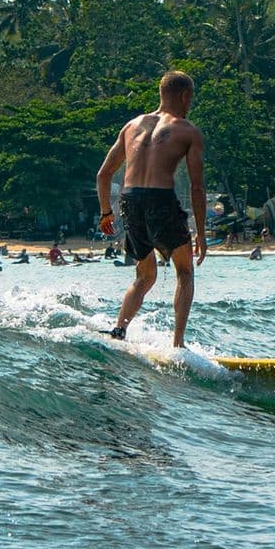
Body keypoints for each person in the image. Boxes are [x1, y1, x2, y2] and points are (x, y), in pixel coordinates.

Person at [95, 70, 208, 348]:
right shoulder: (187, 131)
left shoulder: (131, 125)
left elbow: (103, 175)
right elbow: (197, 187)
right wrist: (202, 235)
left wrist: (106, 213)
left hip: (129, 200)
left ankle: (119, 329)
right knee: (184, 271)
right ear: (184, 96)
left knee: (144, 275)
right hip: (160, 200)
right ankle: (177, 344)